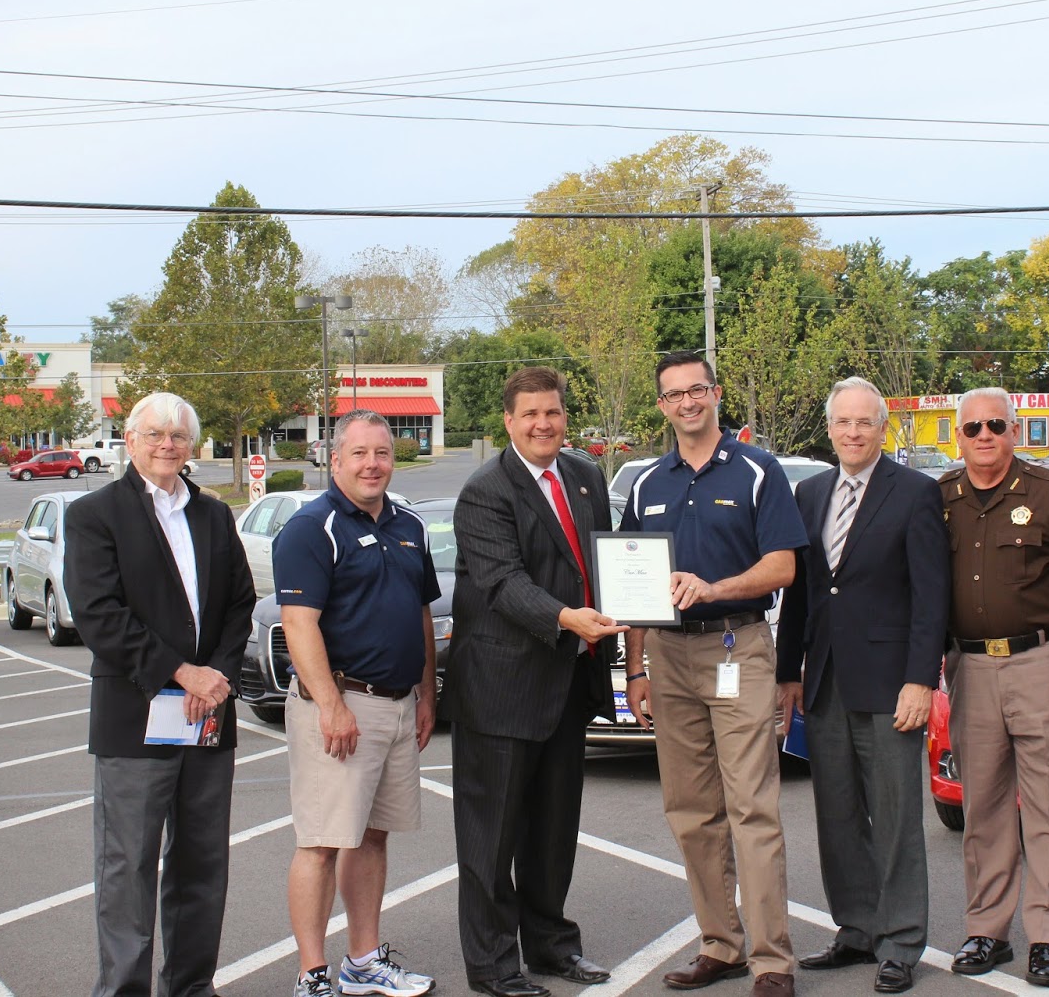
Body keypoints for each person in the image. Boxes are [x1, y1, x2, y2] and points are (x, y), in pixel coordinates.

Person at [622, 351, 807, 997]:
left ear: (717, 393)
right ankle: (720, 944)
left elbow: (783, 566)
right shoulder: (648, 484)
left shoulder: (759, 471)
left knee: (752, 807)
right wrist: (635, 668)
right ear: (662, 406)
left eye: (697, 390)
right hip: (669, 659)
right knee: (692, 809)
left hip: (739, 647)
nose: (688, 403)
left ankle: (772, 960)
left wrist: (715, 586)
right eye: (674, 395)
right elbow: (633, 584)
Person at [64, 391, 257, 997]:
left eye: (178, 436)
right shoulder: (95, 514)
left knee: (202, 864)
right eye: (155, 435)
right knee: (128, 868)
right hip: (135, 716)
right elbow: (99, 615)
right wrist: (182, 673)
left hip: (207, 717)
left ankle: (192, 985)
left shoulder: (214, 515)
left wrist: (217, 676)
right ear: (130, 440)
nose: (168, 445)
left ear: (191, 445)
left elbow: (239, 604)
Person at [442, 366, 623, 997]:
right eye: (530, 415)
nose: (543, 424)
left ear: (564, 416)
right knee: (491, 839)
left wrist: (636, 594)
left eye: (552, 412)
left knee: (553, 831)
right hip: (501, 689)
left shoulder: (584, 477)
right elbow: (503, 583)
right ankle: (493, 967)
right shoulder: (485, 491)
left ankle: (550, 946)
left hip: (568, 684)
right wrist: (568, 617)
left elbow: (600, 555)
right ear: (508, 422)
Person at [775, 378, 949, 994]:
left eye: (865, 423)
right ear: (829, 429)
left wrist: (920, 681)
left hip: (889, 683)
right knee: (838, 814)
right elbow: (799, 592)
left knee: (897, 817)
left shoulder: (917, 494)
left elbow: (932, 598)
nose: (853, 433)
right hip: (823, 680)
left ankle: (901, 940)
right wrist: (787, 671)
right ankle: (856, 929)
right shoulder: (810, 492)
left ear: (883, 429)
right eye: (844, 423)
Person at [940, 387, 1049, 989]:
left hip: (1042, 664)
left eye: (995, 425)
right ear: (955, 435)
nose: (983, 436)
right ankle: (987, 930)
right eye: (972, 428)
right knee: (981, 807)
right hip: (969, 669)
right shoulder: (940, 499)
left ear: (1015, 429)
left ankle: (1047, 938)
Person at [272, 409, 441, 997]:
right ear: (335, 459)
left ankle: (363, 962)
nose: (373, 463)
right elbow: (298, 625)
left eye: (384, 453)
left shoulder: (409, 525)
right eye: (361, 453)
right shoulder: (310, 528)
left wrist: (426, 694)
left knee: (372, 836)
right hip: (342, 705)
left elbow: (419, 615)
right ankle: (312, 973)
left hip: (397, 705)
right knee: (320, 841)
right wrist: (330, 706)